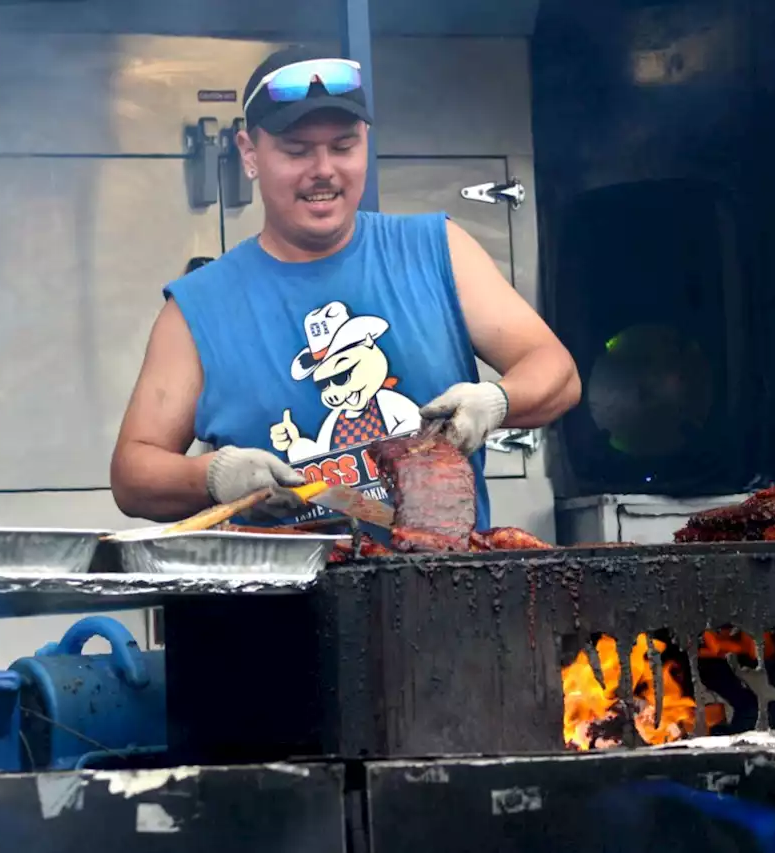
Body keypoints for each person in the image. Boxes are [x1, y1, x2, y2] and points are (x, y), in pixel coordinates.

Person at [111, 46, 580, 528]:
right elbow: (132, 474)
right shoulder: (199, 308)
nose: (324, 169)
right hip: (281, 601)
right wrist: (213, 475)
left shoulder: (437, 250)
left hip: (446, 592)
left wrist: (496, 401)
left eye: (343, 146)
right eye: (296, 150)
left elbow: (556, 371)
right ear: (249, 153)